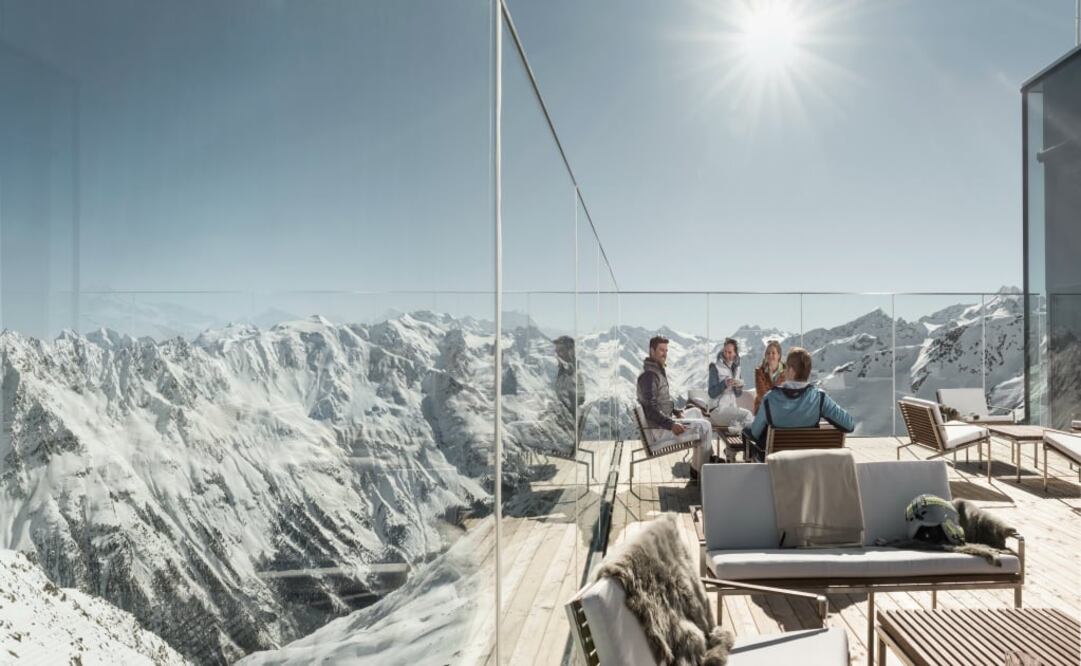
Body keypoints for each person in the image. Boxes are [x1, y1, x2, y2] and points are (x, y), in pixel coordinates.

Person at [744, 347, 855, 462]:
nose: (784, 370)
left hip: (777, 464)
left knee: (747, 429)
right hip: (807, 464)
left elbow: (755, 433)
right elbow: (849, 425)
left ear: (791, 371)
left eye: (786, 367)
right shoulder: (820, 398)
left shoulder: (770, 398)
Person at [637, 335, 715, 481]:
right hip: (659, 430)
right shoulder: (649, 375)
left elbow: (662, 401)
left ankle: (696, 469)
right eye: (661, 350)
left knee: (696, 412)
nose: (664, 354)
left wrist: (675, 411)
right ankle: (705, 477)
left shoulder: (655, 371)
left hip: (662, 424)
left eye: (666, 350)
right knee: (706, 427)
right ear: (651, 351)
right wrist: (671, 424)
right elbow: (650, 408)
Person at [706, 338, 753, 429]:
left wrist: (738, 387)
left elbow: (738, 394)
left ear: (735, 353)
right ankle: (747, 440)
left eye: (730, 352)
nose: (727, 355)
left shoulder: (737, 368)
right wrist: (725, 383)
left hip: (730, 409)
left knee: (745, 422)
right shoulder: (715, 368)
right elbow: (711, 393)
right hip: (717, 411)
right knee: (747, 415)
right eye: (725, 351)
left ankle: (739, 440)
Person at [753, 340, 786, 414]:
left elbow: (786, 395)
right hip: (762, 407)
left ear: (779, 355)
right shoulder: (759, 371)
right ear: (765, 355)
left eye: (773, 353)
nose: (770, 355)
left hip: (781, 407)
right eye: (768, 353)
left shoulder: (786, 371)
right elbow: (761, 394)